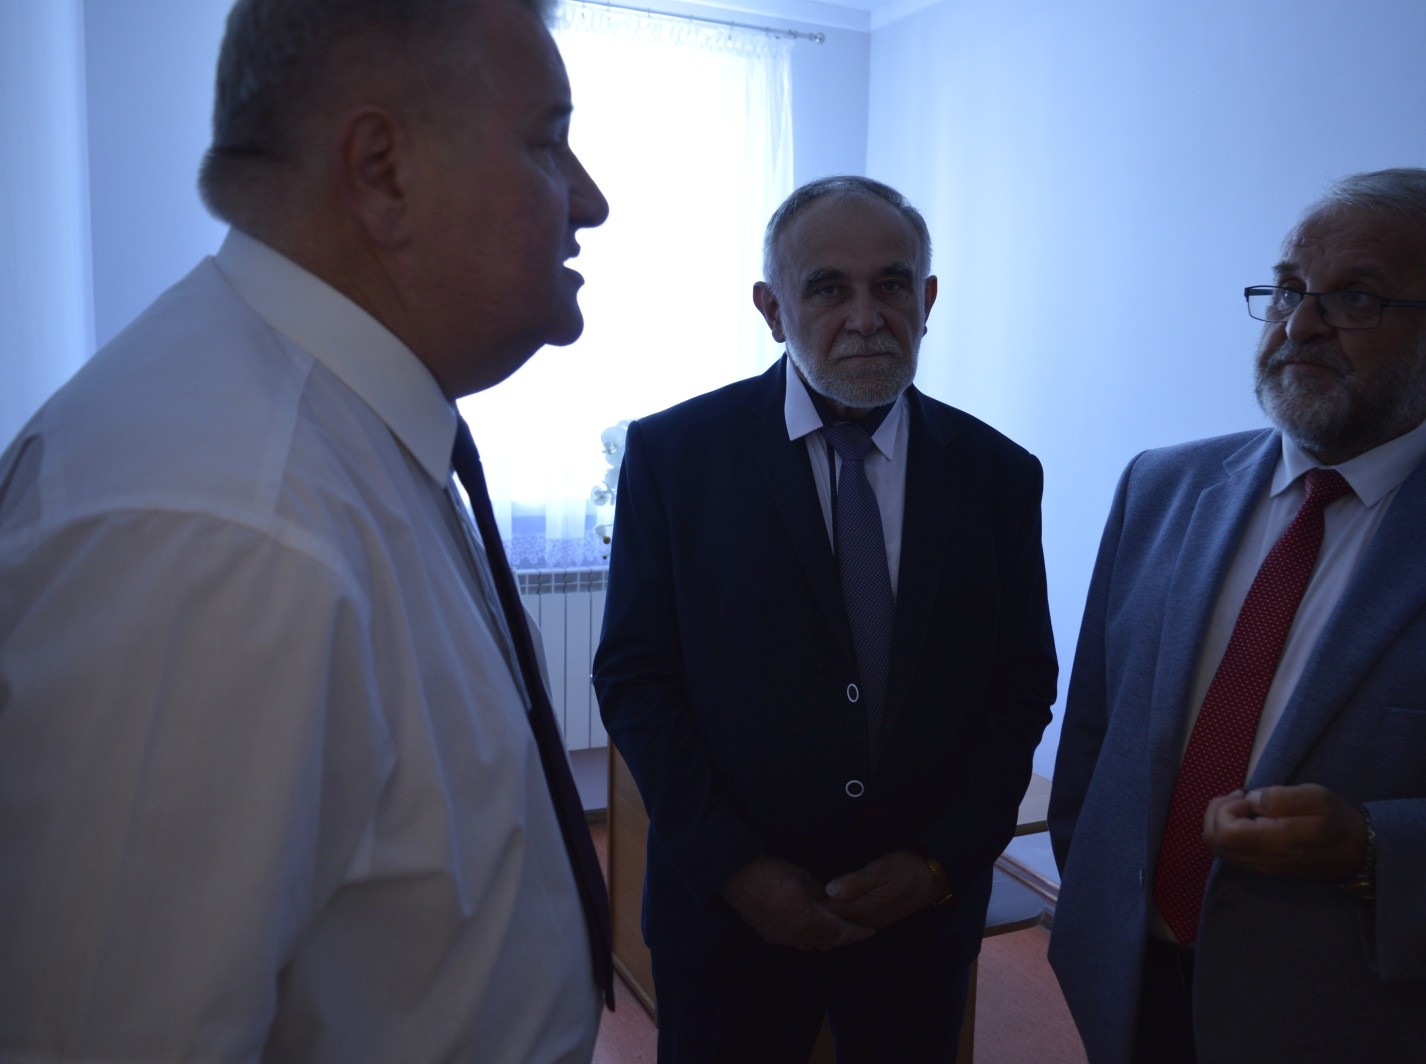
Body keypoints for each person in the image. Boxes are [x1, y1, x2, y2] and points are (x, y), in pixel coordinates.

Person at [0, 0, 612, 1060]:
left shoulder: (324, 439)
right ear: (381, 172)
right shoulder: (222, 527)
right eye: (546, 140)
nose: (590, 199)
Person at [1047, 167, 1426, 1063]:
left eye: (1357, 298)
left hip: (1390, 1031)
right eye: (1288, 289)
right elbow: (1097, 743)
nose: (1301, 325)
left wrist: (1375, 849)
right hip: (1133, 999)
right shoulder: (1161, 487)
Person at [592, 175, 1058, 1062]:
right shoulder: (676, 458)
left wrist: (938, 862)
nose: (866, 317)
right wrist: (738, 869)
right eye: (828, 289)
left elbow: (1021, 681)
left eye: (891, 285)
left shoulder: (997, 475)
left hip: (917, 925)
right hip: (728, 923)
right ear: (772, 310)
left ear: (927, 300)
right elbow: (636, 679)